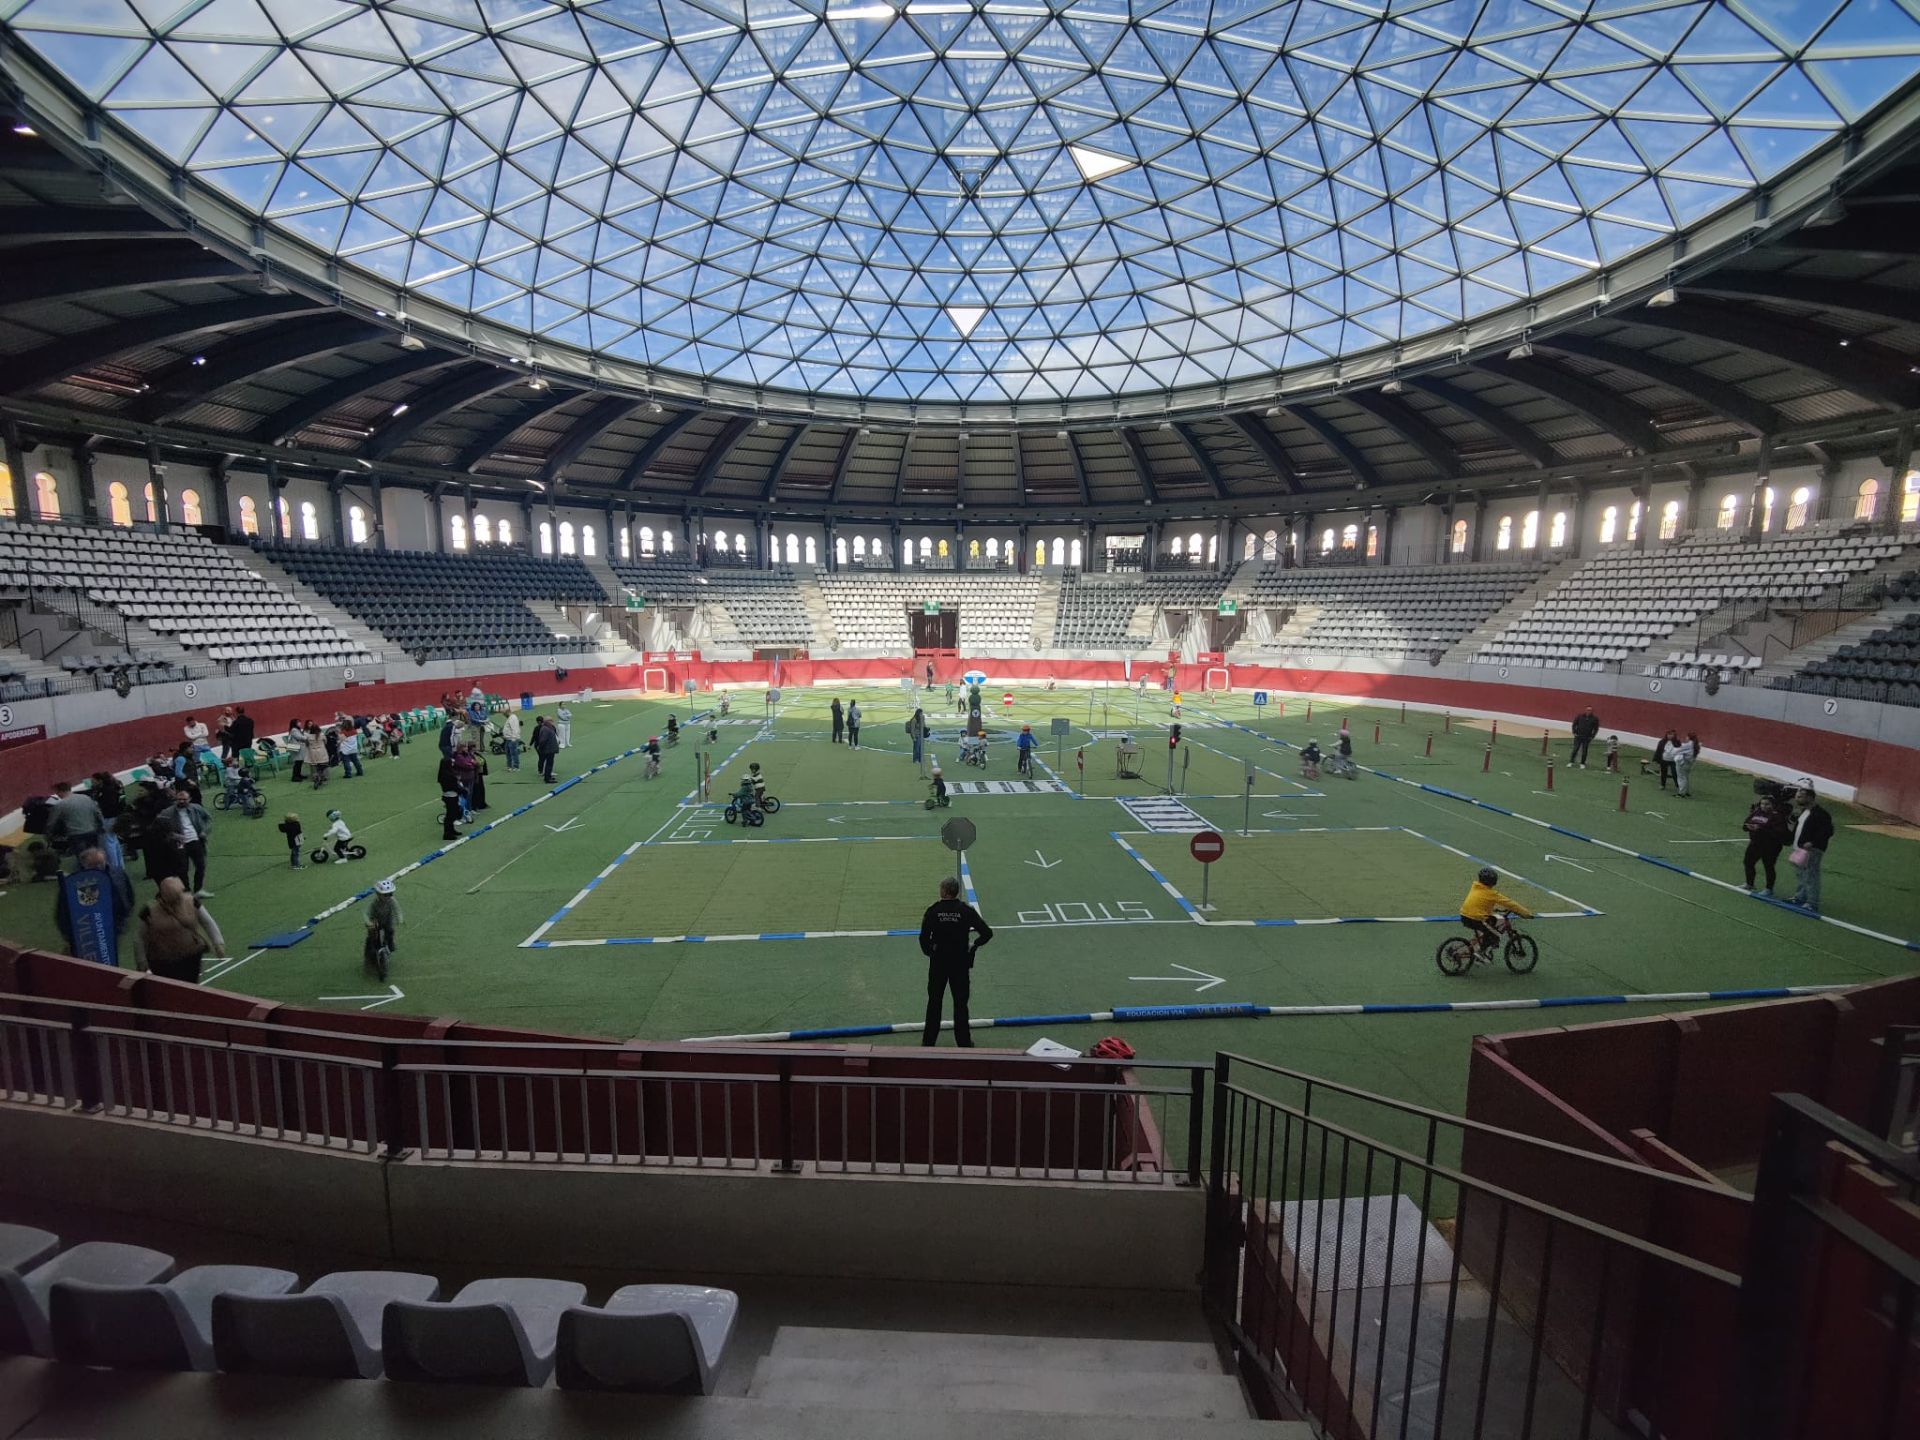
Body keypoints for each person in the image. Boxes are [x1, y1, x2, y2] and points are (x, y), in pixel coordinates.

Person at [919, 876, 992, 1047]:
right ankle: (963, 1041)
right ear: (957, 891)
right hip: (960, 963)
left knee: (934, 1002)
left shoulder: (933, 911)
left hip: (938, 963)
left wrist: (931, 952)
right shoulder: (966, 910)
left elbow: (923, 938)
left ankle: (929, 1041)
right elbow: (987, 933)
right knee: (960, 1004)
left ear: (943, 891)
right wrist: (973, 945)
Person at [135, 877, 226, 984]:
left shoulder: (192, 901)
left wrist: (218, 942)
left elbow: (208, 922)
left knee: (190, 986)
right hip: (162, 961)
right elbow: (139, 937)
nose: (178, 900)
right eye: (173, 898)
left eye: (178, 896)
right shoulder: (149, 910)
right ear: (163, 896)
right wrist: (141, 960)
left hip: (191, 956)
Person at [55, 846, 134, 964]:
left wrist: (125, 912)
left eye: (100, 864)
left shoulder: (117, 873)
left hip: (114, 924)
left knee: (110, 953)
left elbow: (128, 893)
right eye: (93, 865)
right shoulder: (75, 882)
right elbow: (63, 910)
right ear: (84, 865)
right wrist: (68, 933)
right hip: (87, 929)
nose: (98, 868)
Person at [1458, 866, 1534, 962]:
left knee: (1489, 925)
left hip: (1465, 915)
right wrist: (1526, 913)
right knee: (1494, 934)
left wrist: (1494, 910)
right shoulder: (1491, 894)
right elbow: (1510, 903)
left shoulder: (1476, 887)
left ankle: (1476, 947)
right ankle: (1481, 953)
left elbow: (1480, 903)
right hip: (1475, 918)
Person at [1788, 787, 1833, 913]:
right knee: (1801, 874)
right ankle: (1800, 897)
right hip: (1800, 848)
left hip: (1812, 849)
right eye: (1797, 796)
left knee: (1811, 875)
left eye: (1801, 796)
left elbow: (1828, 831)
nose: (1797, 798)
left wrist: (1813, 842)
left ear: (1810, 797)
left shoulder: (1821, 814)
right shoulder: (1804, 812)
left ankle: (1812, 902)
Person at [164, 785, 212, 897]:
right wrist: (173, 836)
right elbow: (160, 825)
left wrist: (204, 831)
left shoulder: (196, 808)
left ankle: (198, 889)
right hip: (180, 844)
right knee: (182, 869)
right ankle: (186, 891)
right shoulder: (168, 812)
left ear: (189, 799)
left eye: (184, 799)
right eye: (179, 799)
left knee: (201, 865)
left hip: (196, 841)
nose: (181, 801)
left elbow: (208, 818)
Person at [1741, 787, 1790, 897]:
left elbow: (1779, 832)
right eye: (1762, 804)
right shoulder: (1756, 812)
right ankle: (1749, 883)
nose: (1764, 806)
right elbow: (1745, 824)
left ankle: (1769, 888)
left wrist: (1760, 829)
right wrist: (1749, 827)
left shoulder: (1777, 816)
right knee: (1748, 862)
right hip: (1755, 843)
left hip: (1771, 846)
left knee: (1768, 866)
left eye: (1767, 804)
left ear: (1773, 805)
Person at [45, 780, 105, 867]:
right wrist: (100, 826)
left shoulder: (60, 805)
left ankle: (86, 875)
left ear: (59, 792)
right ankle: (99, 873)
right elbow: (98, 813)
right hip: (91, 832)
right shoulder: (86, 798)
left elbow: (51, 823)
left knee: (82, 858)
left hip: (76, 835)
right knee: (94, 856)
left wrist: (49, 835)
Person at [366, 878, 401, 970]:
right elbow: (367, 913)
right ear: (378, 894)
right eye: (385, 895)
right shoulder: (374, 903)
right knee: (373, 936)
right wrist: (369, 922)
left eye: (390, 894)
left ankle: (390, 944)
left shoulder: (392, 901)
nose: (388, 897)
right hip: (375, 921)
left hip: (387, 919)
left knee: (390, 931)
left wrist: (399, 919)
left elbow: (397, 910)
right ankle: (371, 951)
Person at [532, 714, 559, 784]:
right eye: (551, 720)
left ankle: (548, 776)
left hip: (550, 748)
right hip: (548, 749)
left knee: (549, 763)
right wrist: (540, 747)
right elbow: (543, 740)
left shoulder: (548, 728)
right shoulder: (545, 729)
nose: (553, 721)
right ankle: (547, 778)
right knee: (549, 764)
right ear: (548, 721)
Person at [1673, 732, 1700, 797]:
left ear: (1689, 737)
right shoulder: (1695, 745)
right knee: (1685, 777)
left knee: (1681, 777)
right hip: (1689, 764)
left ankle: (1681, 793)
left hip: (1683, 763)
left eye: (1687, 737)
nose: (1686, 738)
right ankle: (1686, 792)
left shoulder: (1688, 745)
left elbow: (1677, 750)